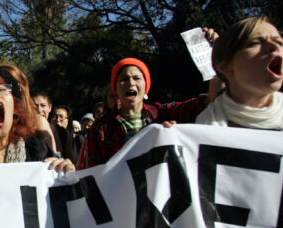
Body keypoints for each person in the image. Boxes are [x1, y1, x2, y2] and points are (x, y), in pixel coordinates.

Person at [78, 57, 210, 169]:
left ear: (146, 86)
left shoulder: (162, 113)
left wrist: (219, 54)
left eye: (137, 78)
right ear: (116, 89)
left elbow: (205, 102)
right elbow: (95, 174)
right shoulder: (100, 127)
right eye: (124, 79)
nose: (131, 83)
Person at [196, 17, 283, 133]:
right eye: (255, 43)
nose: (274, 47)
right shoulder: (203, 130)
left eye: (279, 42)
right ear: (224, 66)